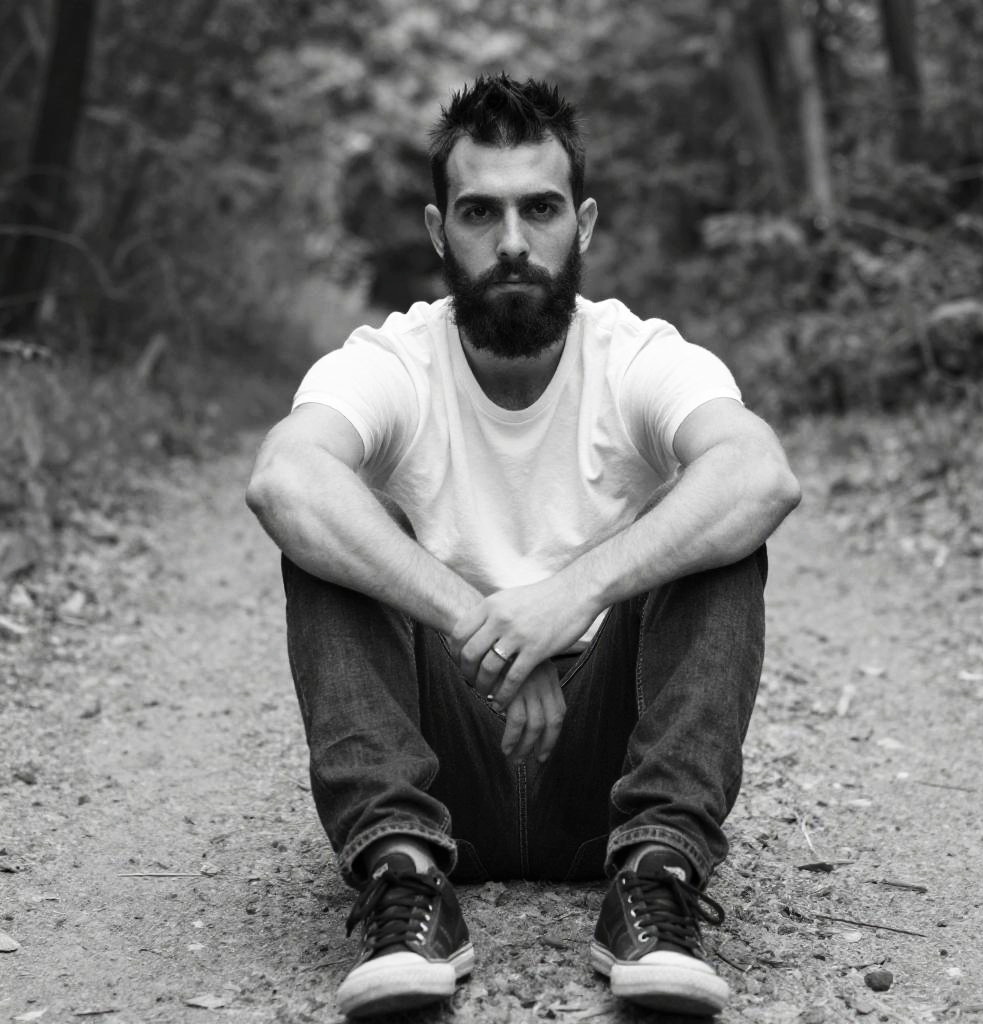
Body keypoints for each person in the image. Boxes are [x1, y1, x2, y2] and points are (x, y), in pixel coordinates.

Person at [246, 73, 801, 1019]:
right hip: (445, 758)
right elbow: (283, 480)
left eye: (539, 209)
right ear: (437, 230)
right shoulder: (393, 361)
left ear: (581, 223)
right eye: (480, 212)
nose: (511, 242)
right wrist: (492, 626)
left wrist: (572, 596)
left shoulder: (637, 355)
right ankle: (407, 876)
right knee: (334, 531)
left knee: (715, 529)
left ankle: (655, 876)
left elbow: (761, 475)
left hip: (604, 764)